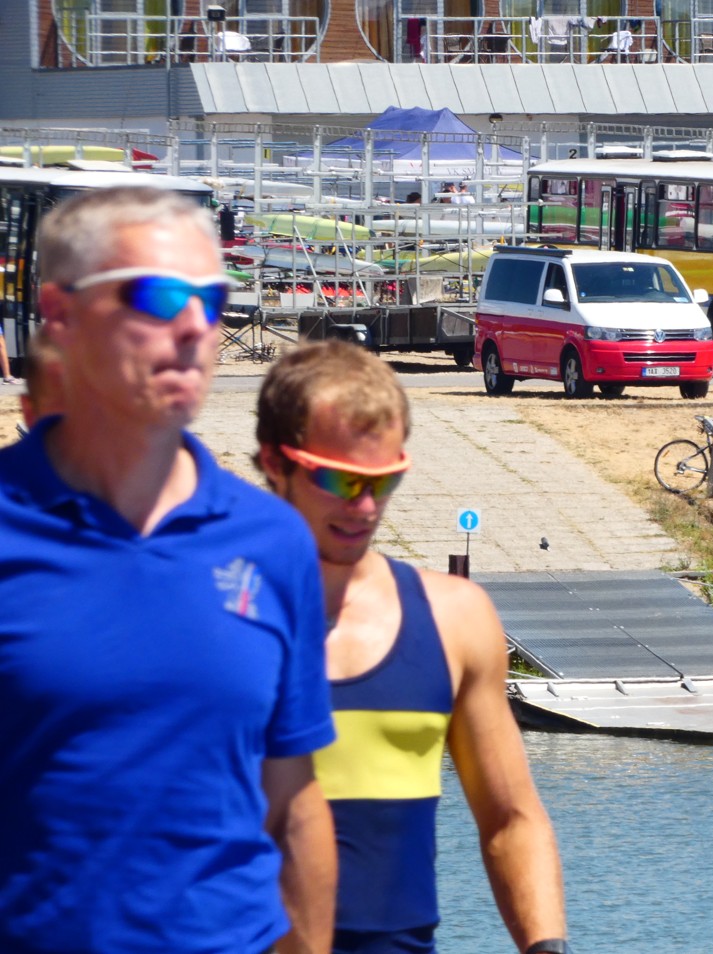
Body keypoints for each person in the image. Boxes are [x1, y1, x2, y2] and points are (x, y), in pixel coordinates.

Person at [0, 186, 337, 954]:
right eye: (156, 296)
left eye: (212, 300)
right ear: (59, 313)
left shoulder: (273, 540)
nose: (194, 326)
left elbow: (292, 802)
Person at [255, 340, 570, 954]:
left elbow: (510, 819)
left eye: (385, 480)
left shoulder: (455, 617)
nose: (365, 506)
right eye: (340, 479)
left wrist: (546, 947)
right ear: (274, 461)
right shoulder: (209, 616)